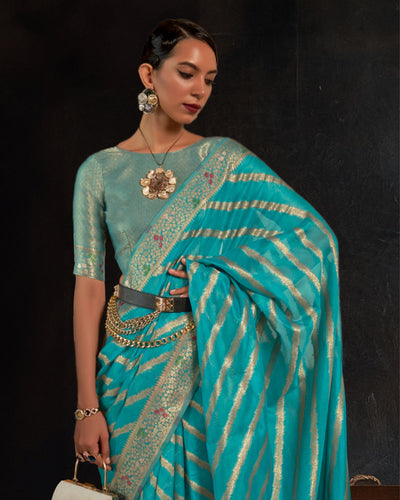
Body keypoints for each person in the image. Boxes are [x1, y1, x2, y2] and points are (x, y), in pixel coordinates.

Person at [72, 18, 350, 500]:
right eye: (186, 73)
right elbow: (89, 289)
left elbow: (314, 242)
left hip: (207, 362)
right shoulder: (98, 171)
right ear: (148, 75)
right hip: (127, 365)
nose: (199, 89)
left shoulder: (225, 160)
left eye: (209, 79)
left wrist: (213, 278)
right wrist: (86, 407)